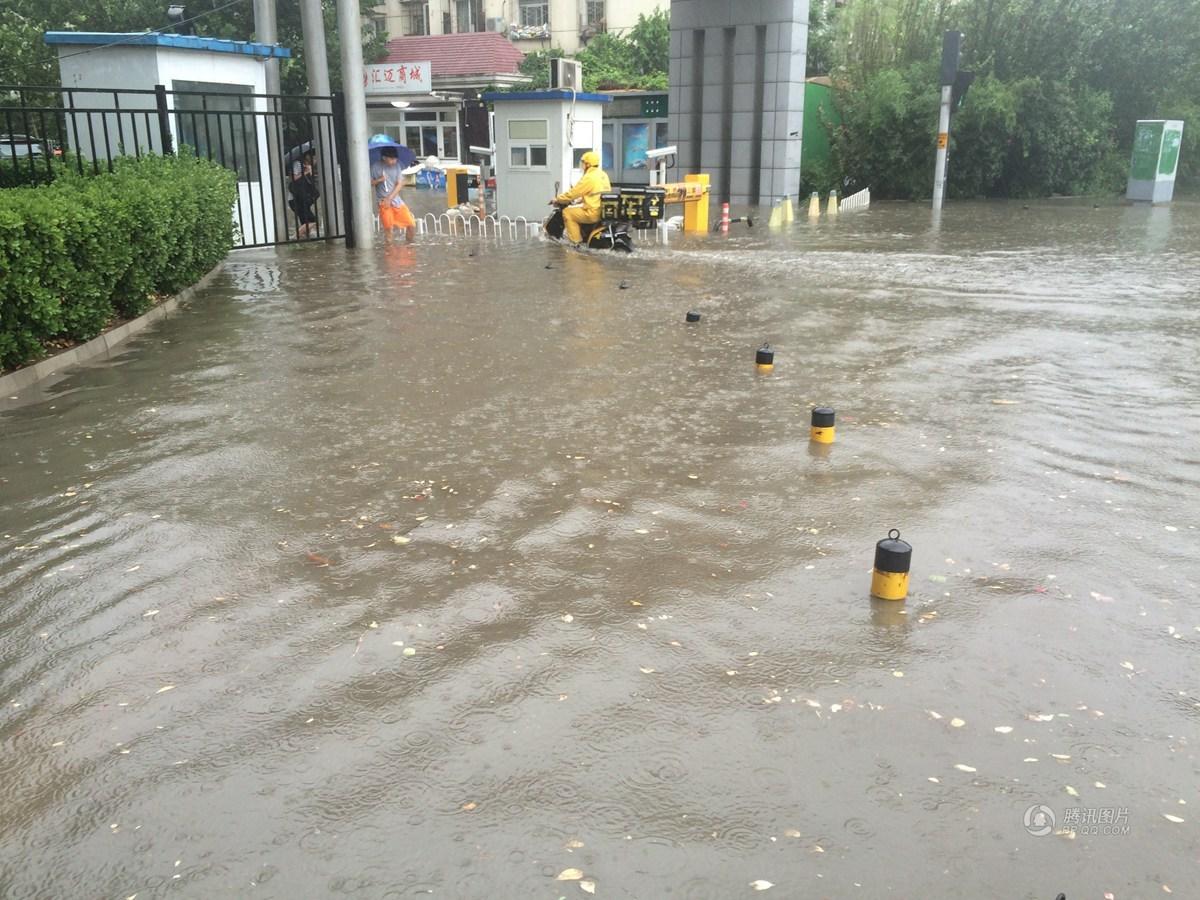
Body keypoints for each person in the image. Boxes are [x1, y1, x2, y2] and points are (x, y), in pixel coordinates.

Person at [552, 150, 611, 245]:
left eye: (583, 163)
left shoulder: (589, 177)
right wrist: (579, 200)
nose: (582, 166)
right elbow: (594, 193)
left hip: (592, 212)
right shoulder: (603, 174)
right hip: (602, 210)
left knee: (567, 213)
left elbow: (573, 193)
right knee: (575, 210)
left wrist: (558, 199)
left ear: (588, 164)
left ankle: (575, 243)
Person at [370, 147, 416, 243]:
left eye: (395, 159)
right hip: (383, 202)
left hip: (396, 200)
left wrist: (390, 198)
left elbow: (400, 184)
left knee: (411, 225)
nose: (394, 161)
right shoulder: (375, 167)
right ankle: (390, 254)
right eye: (391, 159)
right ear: (384, 158)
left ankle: (409, 248)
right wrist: (379, 180)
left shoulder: (397, 166)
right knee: (389, 229)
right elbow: (369, 183)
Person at [288, 150, 320, 239]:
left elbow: (310, 183)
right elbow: (294, 178)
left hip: (304, 198)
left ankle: (304, 238)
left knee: (305, 221)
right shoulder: (297, 164)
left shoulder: (308, 166)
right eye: (313, 157)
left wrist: (310, 171)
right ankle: (294, 237)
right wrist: (305, 172)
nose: (315, 159)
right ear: (307, 156)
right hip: (296, 199)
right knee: (312, 220)